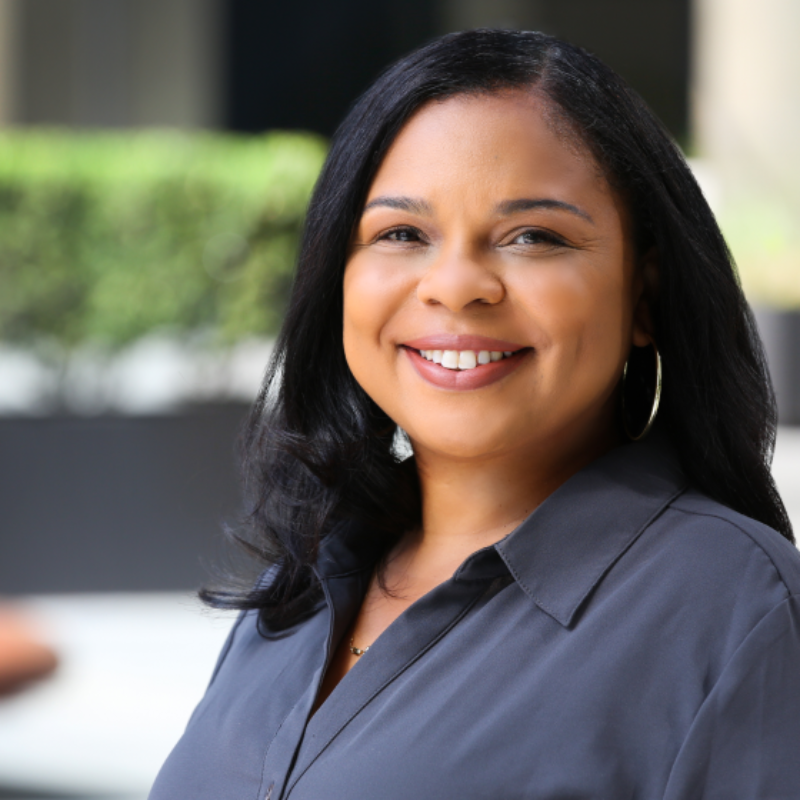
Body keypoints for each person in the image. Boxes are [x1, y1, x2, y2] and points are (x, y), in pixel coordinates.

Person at [149, 29, 800, 799]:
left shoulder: (738, 612)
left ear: (645, 297)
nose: (456, 286)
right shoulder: (304, 585)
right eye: (401, 233)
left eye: (533, 236)